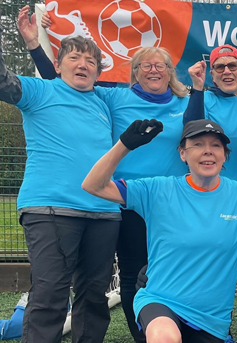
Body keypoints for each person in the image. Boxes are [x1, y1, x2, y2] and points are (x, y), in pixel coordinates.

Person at [20, 9, 191, 342]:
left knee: (165, 273)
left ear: (171, 72)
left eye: (160, 65)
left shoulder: (189, 101)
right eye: (145, 65)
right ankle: (144, 335)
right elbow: (63, 88)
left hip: (170, 203)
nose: (153, 70)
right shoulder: (112, 96)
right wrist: (34, 46)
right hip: (122, 200)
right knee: (127, 275)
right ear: (134, 72)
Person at [83, 119, 237, 342]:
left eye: (216, 145)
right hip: (161, 301)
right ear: (182, 153)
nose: (208, 151)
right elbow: (93, 185)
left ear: (224, 154)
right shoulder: (158, 189)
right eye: (197, 144)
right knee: (165, 337)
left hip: (212, 320)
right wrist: (124, 145)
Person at [0, 27, 119, 342]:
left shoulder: (105, 102)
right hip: (50, 210)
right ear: (57, 65)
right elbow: (4, 83)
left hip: (104, 213)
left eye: (90, 60)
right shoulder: (40, 91)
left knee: (94, 295)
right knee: (51, 292)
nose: (82, 64)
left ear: (98, 70)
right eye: (74, 57)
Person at [184, 45, 237, 319]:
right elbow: (190, 129)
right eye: (220, 67)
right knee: (215, 269)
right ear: (213, 74)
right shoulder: (204, 100)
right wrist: (197, 87)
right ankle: (215, 332)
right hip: (214, 198)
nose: (227, 71)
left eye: (233, 66)